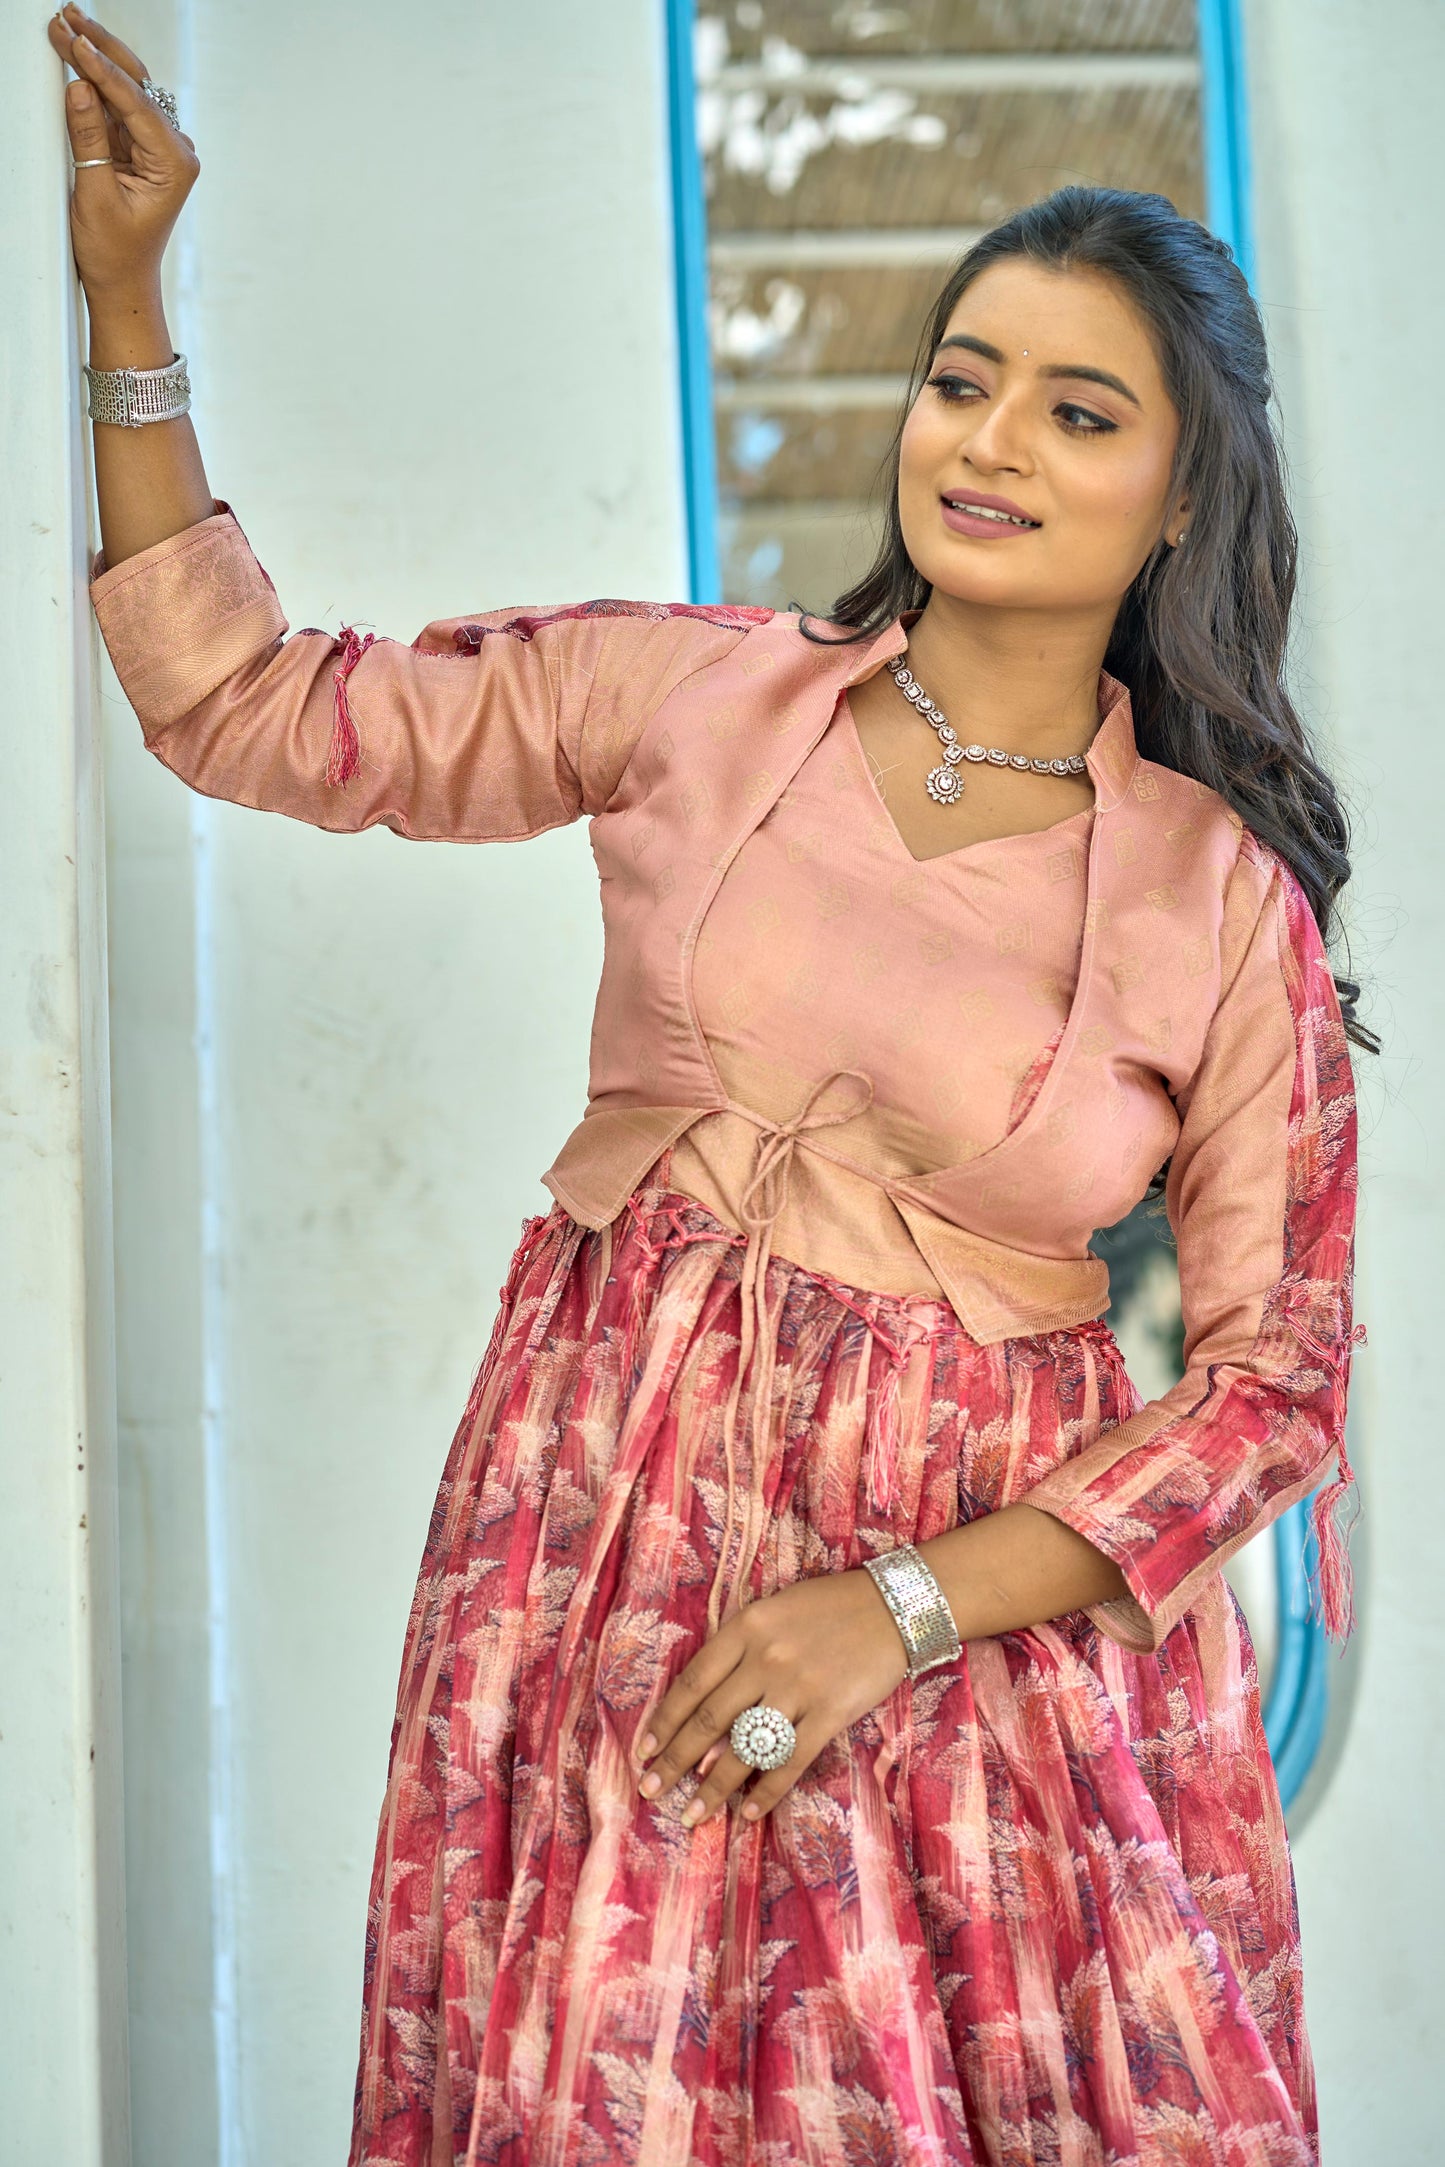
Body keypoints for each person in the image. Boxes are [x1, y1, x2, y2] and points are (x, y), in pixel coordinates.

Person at [50, 9, 1368, 2163]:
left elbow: (1274, 1387)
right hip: (593, 1590)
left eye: (1077, 410)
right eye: (960, 379)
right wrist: (130, 306)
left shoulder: (1219, 907)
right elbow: (253, 709)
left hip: (983, 1705)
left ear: (1184, 495)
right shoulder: (695, 695)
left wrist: (894, 1613)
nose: (990, 441)